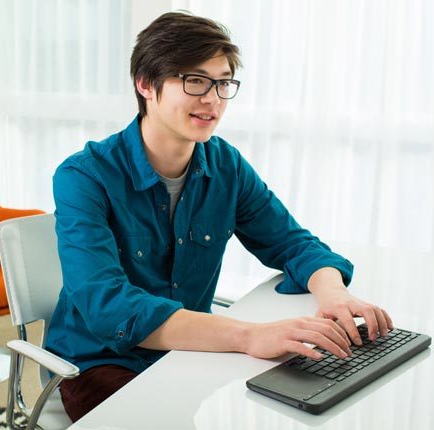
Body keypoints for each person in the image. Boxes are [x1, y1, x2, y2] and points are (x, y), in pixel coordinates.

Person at [46, 11, 393, 422]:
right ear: (145, 84)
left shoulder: (224, 164)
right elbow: (109, 307)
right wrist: (249, 335)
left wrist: (334, 294)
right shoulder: (84, 176)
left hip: (187, 351)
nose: (211, 99)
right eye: (194, 80)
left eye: (223, 83)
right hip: (100, 363)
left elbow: (293, 243)